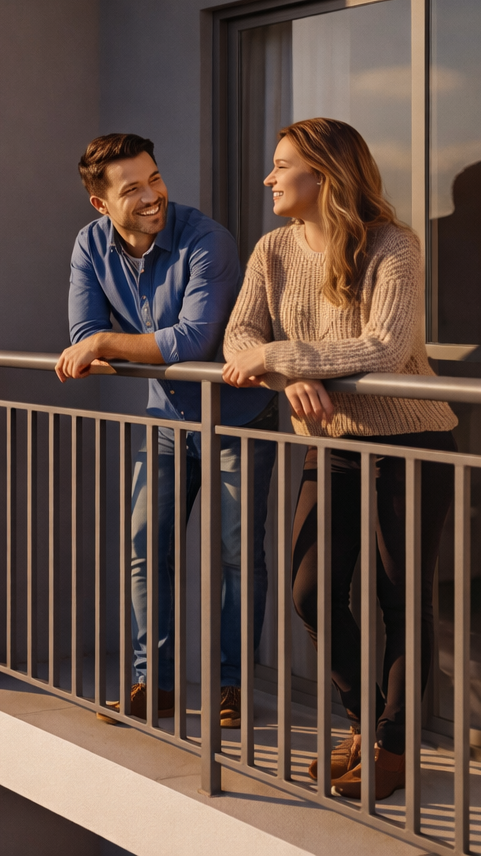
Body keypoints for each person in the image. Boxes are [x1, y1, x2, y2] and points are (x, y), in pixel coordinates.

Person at [223, 117, 457, 801]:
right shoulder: (273, 249)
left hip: (408, 444)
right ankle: (364, 722)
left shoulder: (395, 246)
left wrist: (281, 357)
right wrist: (287, 374)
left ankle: (391, 744)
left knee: (398, 599)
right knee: (311, 593)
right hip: (328, 445)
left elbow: (383, 347)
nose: (269, 178)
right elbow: (242, 334)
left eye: (280, 165)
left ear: (320, 175)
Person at [61, 133, 277, 727]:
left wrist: (110, 342)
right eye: (133, 188)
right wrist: (102, 341)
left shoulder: (208, 240)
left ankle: (232, 687)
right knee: (144, 551)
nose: (153, 195)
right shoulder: (90, 245)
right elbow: (84, 330)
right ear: (101, 204)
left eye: (155, 178)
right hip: (166, 419)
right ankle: (150, 684)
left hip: (237, 417)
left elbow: (193, 341)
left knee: (236, 555)